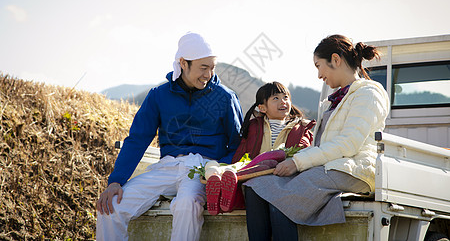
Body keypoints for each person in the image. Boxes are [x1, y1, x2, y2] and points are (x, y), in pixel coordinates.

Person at [96, 32, 243, 241]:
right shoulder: (159, 95)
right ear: (183, 63)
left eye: (212, 67)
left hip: (201, 169)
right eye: (203, 67)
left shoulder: (225, 97)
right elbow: (137, 139)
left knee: (187, 204)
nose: (208, 74)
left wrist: (217, 171)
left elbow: (238, 144)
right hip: (166, 167)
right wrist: (116, 181)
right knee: (111, 208)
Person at [243, 34, 390, 240]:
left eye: (319, 66)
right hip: (331, 166)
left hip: (353, 168)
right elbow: (322, 144)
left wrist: (298, 162)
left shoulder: (369, 93)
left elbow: (348, 144)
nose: (319, 75)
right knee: (255, 186)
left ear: (335, 60)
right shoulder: (334, 100)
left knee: (280, 197)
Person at [205, 82, 315, 215]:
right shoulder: (254, 127)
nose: (283, 102)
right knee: (247, 184)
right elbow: (242, 152)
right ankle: (223, 196)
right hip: (255, 176)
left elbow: (304, 152)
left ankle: (230, 201)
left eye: (286, 97)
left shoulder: (301, 128)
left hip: (284, 177)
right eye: (276, 98)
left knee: (259, 192)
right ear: (262, 108)